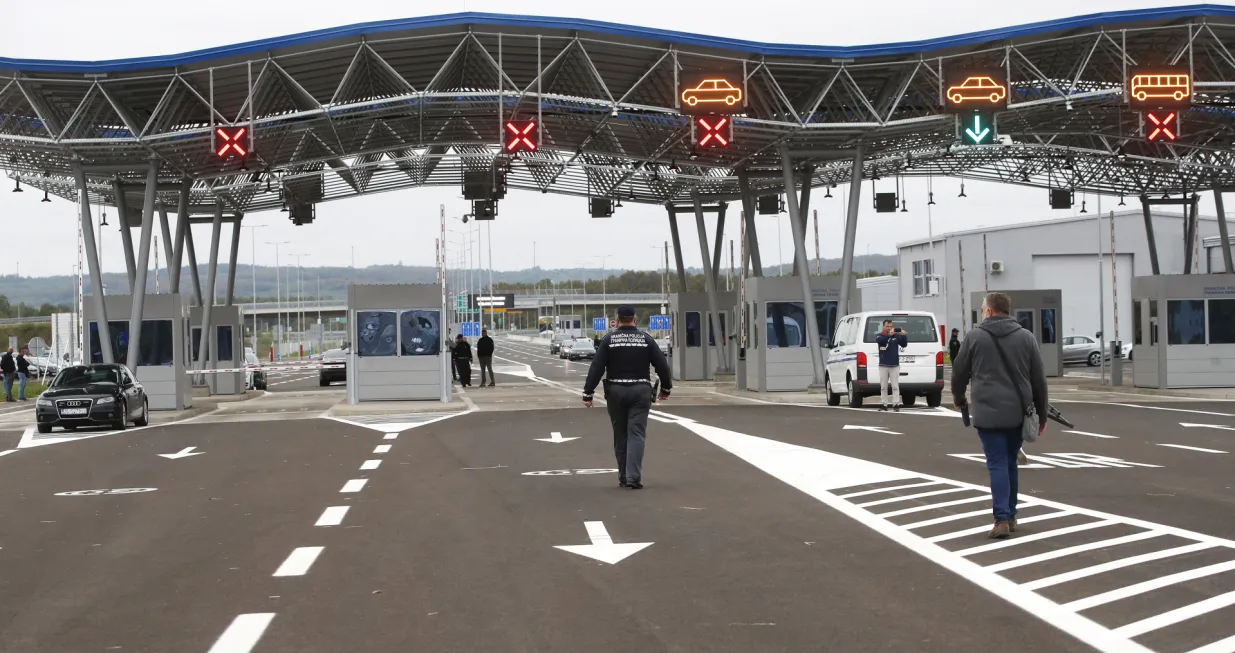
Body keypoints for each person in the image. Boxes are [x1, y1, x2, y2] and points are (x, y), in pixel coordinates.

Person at [952, 292, 1048, 540]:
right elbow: (1039, 379)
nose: (983, 312)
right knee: (1010, 462)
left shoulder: (974, 337)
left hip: (987, 411)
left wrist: (959, 398)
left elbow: (959, 373)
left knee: (996, 463)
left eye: (984, 309)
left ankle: (1001, 518)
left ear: (990, 311)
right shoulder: (1026, 337)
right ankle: (1012, 515)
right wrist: (1043, 414)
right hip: (1018, 411)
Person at [582, 306, 672, 490]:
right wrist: (666, 388)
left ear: (617, 319)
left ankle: (623, 476)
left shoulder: (609, 340)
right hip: (641, 390)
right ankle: (634, 477)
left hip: (615, 391)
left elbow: (596, 367)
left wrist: (588, 393)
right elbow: (662, 365)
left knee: (620, 434)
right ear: (634, 319)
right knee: (636, 434)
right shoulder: (646, 339)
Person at [876, 320, 908, 412]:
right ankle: (884, 404)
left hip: (894, 365)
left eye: (891, 326)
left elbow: (904, 344)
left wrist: (903, 335)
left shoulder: (896, 336)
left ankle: (896, 404)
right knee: (883, 386)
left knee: (895, 386)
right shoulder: (880, 335)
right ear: (883, 326)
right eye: (887, 326)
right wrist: (889, 335)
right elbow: (880, 341)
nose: (889, 328)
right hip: (883, 365)